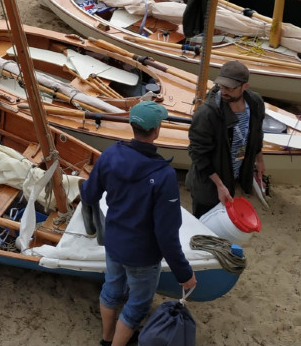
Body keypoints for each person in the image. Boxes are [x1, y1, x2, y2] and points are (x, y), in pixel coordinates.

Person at [82, 101, 196, 346]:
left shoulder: (110, 155)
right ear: (156, 131)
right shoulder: (163, 175)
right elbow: (166, 233)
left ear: (132, 126)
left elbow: (89, 195)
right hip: (143, 254)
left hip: (114, 243)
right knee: (138, 304)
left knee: (111, 290)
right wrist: (184, 273)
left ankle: (106, 339)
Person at [186, 61, 266, 218]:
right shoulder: (207, 114)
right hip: (208, 184)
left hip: (233, 176)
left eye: (229, 88)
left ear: (245, 87)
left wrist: (260, 159)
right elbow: (198, 155)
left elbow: (257, 132)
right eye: (221, 86)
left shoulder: (255, 103)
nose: (224, 91)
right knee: (204, 224)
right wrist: (220, 185)